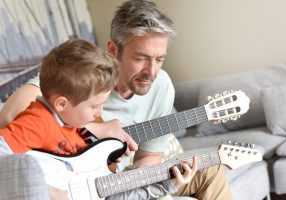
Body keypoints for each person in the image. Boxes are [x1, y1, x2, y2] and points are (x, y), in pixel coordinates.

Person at [0, 0, 232, 199]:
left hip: (113, 177)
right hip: (69, 179)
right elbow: (12, 115)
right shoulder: (80, 73)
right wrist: (97, 130)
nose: (151, 72)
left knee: (210, 170)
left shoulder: (161, 85)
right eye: (141, 58)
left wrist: (157, 183)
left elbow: (148, 157)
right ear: (113, 50)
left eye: (159, 59)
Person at [0, 38, 198, 200]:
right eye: (94, 106)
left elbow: (109, 194)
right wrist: (46, 191)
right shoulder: (39, 120)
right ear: (62, 104)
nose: (99, 112)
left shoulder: (77, 132)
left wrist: (166, 185)